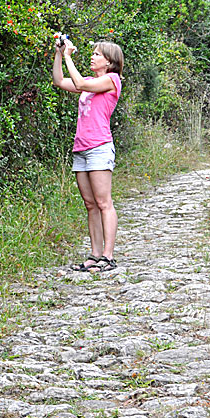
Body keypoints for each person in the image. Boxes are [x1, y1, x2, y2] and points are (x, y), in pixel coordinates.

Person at [52, 36, 124, 272]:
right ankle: (95, 254)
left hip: (99, 147)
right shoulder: (93, 80)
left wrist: (70, 57)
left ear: (109, 61)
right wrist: (59, 54)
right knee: (90, 204)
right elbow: (59, 81)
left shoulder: (111, 80)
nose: (92, 57)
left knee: (104, 203)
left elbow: (80, 84)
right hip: (81, 148)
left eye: (96, 54)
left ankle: (108, 256)